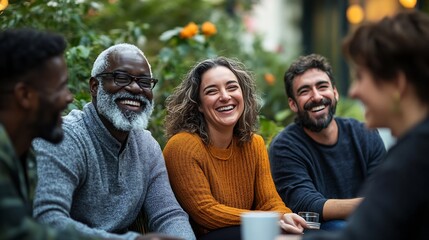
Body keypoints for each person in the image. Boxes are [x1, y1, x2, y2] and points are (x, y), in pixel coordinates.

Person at [278, 9, 429, 240]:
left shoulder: (413, 157)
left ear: (397, 84)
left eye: (361, 77)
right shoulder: (412, 150)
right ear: (292, 103)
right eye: (305, 91)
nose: (354, 91)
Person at [32, 43, 196, 240]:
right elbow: (47, 219)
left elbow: (168, 214)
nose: (135, 88)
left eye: (144, 82)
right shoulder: (63, 138)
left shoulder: (147, 146)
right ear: (95, 86)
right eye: (121, 78)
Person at [163, 56, 308, 239]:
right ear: (198, 104)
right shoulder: (183, 146)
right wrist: (269, 220)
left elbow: (270, 202)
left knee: (312, 234)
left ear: (243, 95)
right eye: (211, 91)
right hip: (211, 236)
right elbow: (206, 213)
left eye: (232, 87)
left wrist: (285, 216)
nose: (225, 97)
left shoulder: (253, 144)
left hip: (247, 231)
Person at [0, 28, 101, 240]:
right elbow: (23, 234)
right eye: (61, 87)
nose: (69, 98)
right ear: (25, 95)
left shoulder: (24, 152)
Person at [269, 54, 386, 230]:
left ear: (335, 93)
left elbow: (384, 188)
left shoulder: (365, 133)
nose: (316, 97)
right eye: (305, 91)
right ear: (293, 104)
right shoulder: (284, 146)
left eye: (322, 86)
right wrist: (374, 204)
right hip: (322, 231)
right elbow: (307, 204)